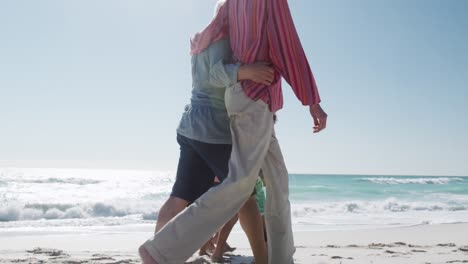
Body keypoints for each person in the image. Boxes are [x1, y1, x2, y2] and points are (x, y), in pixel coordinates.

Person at [140, 0, 328, 263]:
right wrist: (310, 100)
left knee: (273, 182)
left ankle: (279, 258)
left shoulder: (210, 30)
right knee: (242, 187)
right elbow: (286, 47)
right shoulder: (231, 27)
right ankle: (161, 250)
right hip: (233, 113)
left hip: (211, 116)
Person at [150, 3, 270, 263]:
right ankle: (263, 259)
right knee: (246, 191)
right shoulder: (223, 39)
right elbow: (215, 74)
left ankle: (156, 254)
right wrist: (246, 71)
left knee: (180, 196)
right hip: (212, 129)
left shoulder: (202, 37)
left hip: (190, 125)